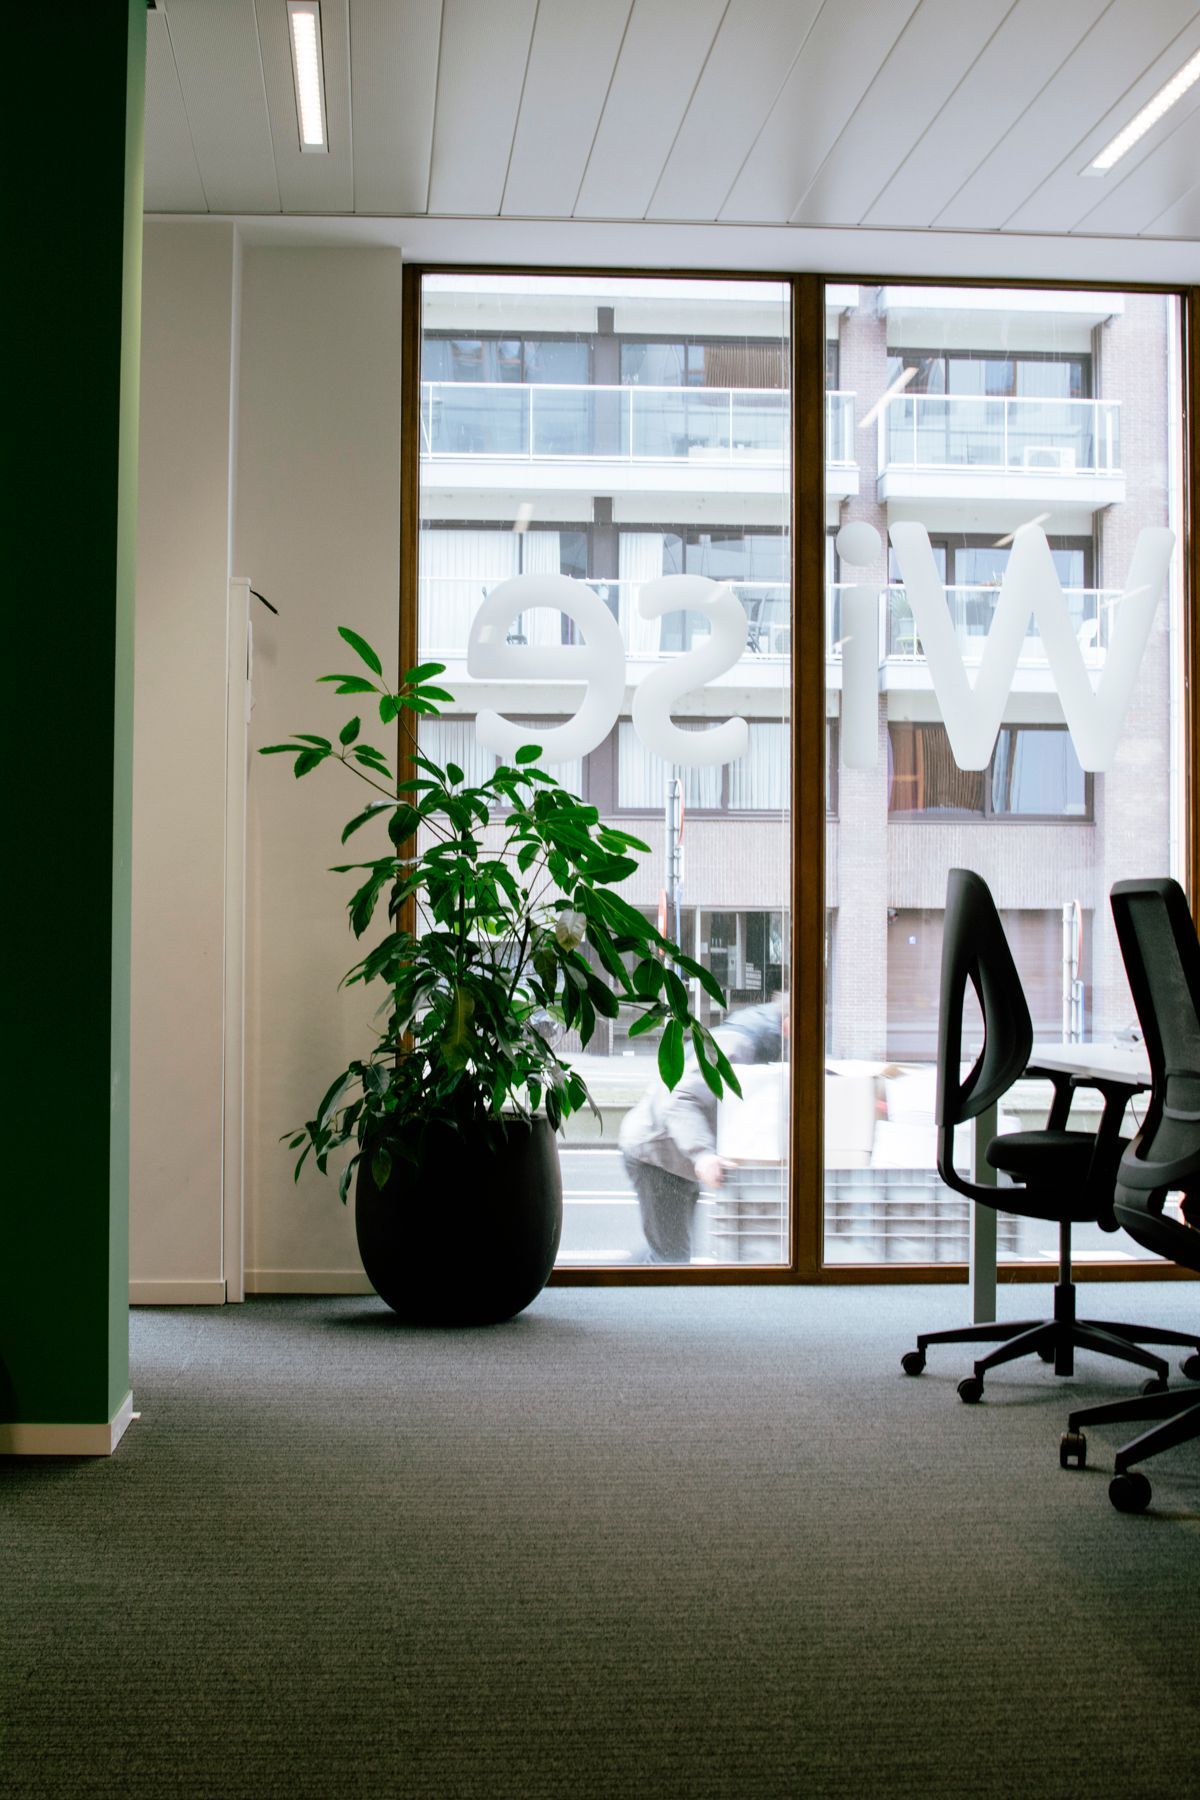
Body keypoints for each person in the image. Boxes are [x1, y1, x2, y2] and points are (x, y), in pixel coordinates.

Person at [619, 999, 786, 1263]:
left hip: (669, 1152)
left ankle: (626, 1274)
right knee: (672, 1258)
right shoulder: (739, 1045)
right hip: (657, 1154)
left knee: (670, 1249)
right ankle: (620, 1284)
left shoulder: (757, 1038)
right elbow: (679, 1099)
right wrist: (703, 1155)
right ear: (788, 1024)